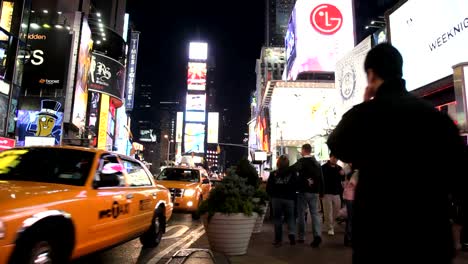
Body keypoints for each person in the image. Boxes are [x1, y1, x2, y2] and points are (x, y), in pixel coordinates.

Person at [327, 43, 467, 263]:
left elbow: (337, 144)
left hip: (379, 241)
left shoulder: (364, 116)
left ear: (371, 74)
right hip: (430, 241)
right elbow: (459, 175)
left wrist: (365, 105)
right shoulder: (435, 117)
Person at [293, 144, 324, 248]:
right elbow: (321, 178)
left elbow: (293, 171)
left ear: (303, 150)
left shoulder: (301, 162)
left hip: (303, 191)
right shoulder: (316, 163)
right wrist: (321, 191)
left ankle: (301, 236)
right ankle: (317, 235)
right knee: (315, 214)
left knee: (301, 214)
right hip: (314, 192)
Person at [266, 155, 298, 247]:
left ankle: (278, 240)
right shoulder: (292, 174)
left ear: (278, 163)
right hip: (289, 198)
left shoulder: (273, 174)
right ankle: (292, 234)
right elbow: (296, 185)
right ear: (288, 164)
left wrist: (271, 195)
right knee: (291, 217)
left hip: (276, 199)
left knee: (277, 219)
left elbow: (269, 187)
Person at [321, 154, 345, 236]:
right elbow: (320, 181)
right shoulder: (323, 168)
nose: (335, 159)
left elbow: (343, 180)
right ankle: (330, 228)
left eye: (337, 158)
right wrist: (320, 193)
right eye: (334, 157)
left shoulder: (339, 168)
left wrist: (343, 175)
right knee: (328, 211)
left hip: (337, 193)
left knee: (337, 211)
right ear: (330, 157)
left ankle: (331, 223)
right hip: (326, 193)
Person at [343, 164, 358, 247]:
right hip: (351, 197)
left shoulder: (350, 173)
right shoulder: (355, 173)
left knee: (350, 218)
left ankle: (347, 239)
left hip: (349, 197)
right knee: (351, 218)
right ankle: (349, 239)